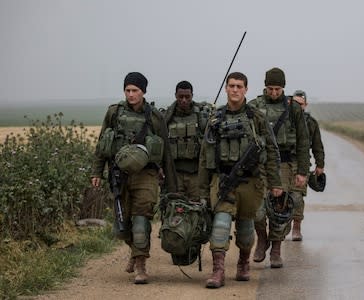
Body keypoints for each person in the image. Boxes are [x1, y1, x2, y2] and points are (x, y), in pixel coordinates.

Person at [198, 72, 283, 288]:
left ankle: (243, 263)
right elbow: (204, 156)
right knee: (220, 225)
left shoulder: (257, 118)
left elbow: (272, 151)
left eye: (239, 86)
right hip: (223, 179)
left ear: (246, 89)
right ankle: (218, 271)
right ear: (226, 88)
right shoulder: (215, 119)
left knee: (245, 231)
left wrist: (275, 183)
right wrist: (201, 190)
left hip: (250, 182)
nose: (235, 90)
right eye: (231, 86)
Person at [91, 72, 177, 284]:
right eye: (127, 90)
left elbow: (166, 152)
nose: (131, 94)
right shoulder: (114, 113)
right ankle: (134, 251)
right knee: (122, 226)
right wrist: (97, 172)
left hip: (146, 175)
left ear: (143, 92)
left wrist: (171, 187)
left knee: (141, 219)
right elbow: (102, 145)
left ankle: (141, 265)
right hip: (119, 175)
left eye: (135, 90)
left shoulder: (155, 117)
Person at [248, 67, 310, 268]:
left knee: (279, 208)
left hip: (284, 164)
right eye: (270, 88)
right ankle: (261, 238)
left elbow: (303, 141)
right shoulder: (254, 106)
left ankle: (275, 248)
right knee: (256, 208)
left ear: (283, 88)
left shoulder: (293, 109)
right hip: (259, 164)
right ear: (265, 87)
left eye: (278, 89)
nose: (274, 93)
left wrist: (302, 171)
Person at [161, 80, 211, 200]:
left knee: (198, 210)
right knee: (174, 210)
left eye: (187, 97)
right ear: (175, 96)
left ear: (192, 96)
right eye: (180, 96)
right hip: (174, 175)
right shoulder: (166, 117)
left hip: (196, 174)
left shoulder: (202, 116)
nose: (184, 100)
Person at [290, 89, 325, 241]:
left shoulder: (310, 123)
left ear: (306, 105)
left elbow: (317, 145)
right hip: (282, 162)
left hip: (301, 163)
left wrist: (320, 164)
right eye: (295, 103)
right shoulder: (284, 120)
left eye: (301, 104)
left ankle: (296, 227)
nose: (298, 106)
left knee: (297, 197)